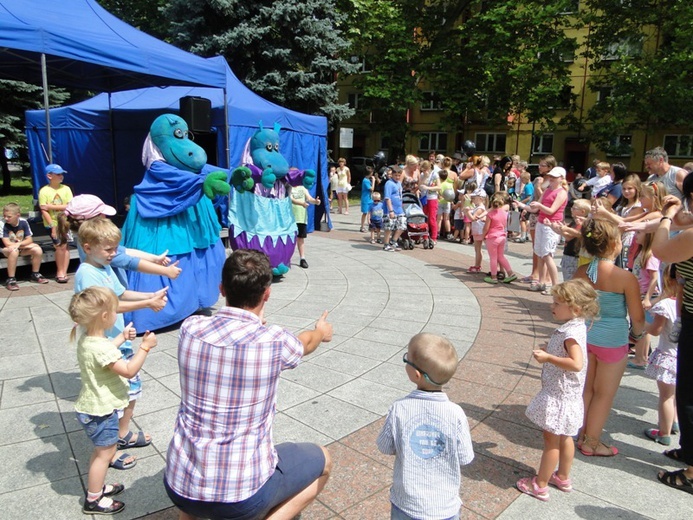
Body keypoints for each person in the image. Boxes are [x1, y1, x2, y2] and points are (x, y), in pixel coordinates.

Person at [164, 249, 333, 519]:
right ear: (267, 293)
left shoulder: (190, 328)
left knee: (193, 503)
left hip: (178, 486)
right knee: (324, 460)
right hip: (241, 496)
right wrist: (321, 331)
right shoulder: (274, 341)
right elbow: (307, 342)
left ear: (222, 289)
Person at [75, 217, 169, 470]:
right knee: (113, 397)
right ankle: (110, 449)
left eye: (115, 248)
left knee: (130, 390)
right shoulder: (87, 273)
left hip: (118, 339)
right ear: (87, 247)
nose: (114, 254)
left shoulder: (104, 267)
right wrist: (148, 303)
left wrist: (149, 295)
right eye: (108, 249)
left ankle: (122, 434)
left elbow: (120, 294)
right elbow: (111, 305)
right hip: (103, 344)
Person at [69, 286, 157, 515]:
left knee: (101, 452)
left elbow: (104, 351)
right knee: (104, 455)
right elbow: (128, 370)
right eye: (114, 310)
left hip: (92, 408)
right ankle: (93, 500)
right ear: (106, 317)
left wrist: (120, 337)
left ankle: (97, 488)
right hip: (101, 412)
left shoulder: (89, 339)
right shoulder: (99, 347)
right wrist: (145, 348)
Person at [517, 279, 599, 501]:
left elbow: (576, 363)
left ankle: (540, 484)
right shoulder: (576, 327)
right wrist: (551, 350)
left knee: (551, 440)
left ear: (575, 308)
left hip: (560, 396)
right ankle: (562, 476)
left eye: (556, 303)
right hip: (570, 397)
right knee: (566, 438)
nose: (551, 306)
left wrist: (548, 358)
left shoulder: (569, 334)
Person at [377, 333, 474, 520]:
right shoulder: (456, 413)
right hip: (445, 507)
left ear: (416, 375)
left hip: (406, 504)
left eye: (407, 359)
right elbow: (465, 457)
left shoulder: (399, 409)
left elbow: (384, 446)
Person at [573, 218, 645, 457]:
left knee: (587, 390)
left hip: (585, 336)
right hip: (613, 341)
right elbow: (637, 318)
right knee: (604, 394)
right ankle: (591, 442)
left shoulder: (582, 272)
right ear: (616, 244)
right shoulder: (625, 278)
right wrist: (637, 335)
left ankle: (580, 433)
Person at [64, 194, 182, 289]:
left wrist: (155, 258)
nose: (106, 217)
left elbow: (125, 251)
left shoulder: (90, 239)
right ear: (94, 218)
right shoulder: (98, 247)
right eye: (103, 214)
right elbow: (128, 261)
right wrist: (165, 271)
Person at [643, 264, 679, 446]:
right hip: (683, 357)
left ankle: (663, 432)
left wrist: (644, 326)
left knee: (666, 396)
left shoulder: (666, 305)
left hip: (668, 356)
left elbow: (656, 331)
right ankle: (675, 422)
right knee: (678, 394)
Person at [528, 166, 568, 295]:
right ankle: (541, 282)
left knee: (547, 255)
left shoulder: (562, 192)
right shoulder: (547, 190)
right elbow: (535, 209)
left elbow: (551, 210)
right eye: (550, 176)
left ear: (561, 178)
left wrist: (539, 205)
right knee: (540, 254)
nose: (551, 179)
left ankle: (555, 286)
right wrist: (522, 206)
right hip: (541, 223)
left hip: (552, 225)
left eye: (554, 177)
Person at [629, 230, 660, 369]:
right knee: (641, 327)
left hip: (646, 295)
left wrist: (647, 297)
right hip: (639, 293)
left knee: (642, 327)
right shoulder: (641, 253)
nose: (636, 235)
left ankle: (642, 358)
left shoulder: (650, 255)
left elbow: (654, 278)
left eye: (640, 233)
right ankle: (640, 356)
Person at [38, 163, 73, 283]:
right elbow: (44, 210)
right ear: (49, 176)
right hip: (52, 223)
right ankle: (60, 271)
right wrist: (52, 226)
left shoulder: (66, 189)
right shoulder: (44, 191)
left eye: (62, 174)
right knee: (60, 246)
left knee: (66, 246)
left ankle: (64, 271)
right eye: (58, 174)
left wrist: (51, 206)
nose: (61, 176)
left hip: (65, 222)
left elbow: (69, 206)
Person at [1, 202, 49, 290]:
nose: (6, 218)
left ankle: (35, 274)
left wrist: (20, 244)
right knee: (13, 251)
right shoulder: (2, 224)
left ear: (17, 215)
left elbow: (29, 239)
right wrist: (24, 245)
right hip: (6, 249)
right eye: (4, 216)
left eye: (9, 216)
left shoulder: (23, 222)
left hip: (19, 247)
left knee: (37, 249)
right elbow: (7, 243)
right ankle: (11, 279)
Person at [549, 198, 590, 282]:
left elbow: (571, 236)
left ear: (582, 212)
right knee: (567, 278)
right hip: (568, 254)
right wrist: (555, 227)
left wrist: (563, 229)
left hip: (574, 256)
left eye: (574, 208)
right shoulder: (574, 222)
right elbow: (567, 235)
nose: (571, 209)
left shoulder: (582, 223)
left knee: (570, 281)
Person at [483, 192, 517, 284]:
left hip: (492, 237)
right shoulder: (505, 213)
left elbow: (486, 228)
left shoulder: (490, 214)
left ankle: (494, 277)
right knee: (501, 256)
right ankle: (511, 273)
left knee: (493, 258)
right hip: (502, 236)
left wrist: (483, 236)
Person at [290, 184, 320, 269]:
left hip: (301, 218)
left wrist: (316, 201)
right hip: (290, 218)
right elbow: (291, 199)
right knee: (290, 239)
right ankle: (287, 258)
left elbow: (309, 198)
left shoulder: (302, 188)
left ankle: (302, 258)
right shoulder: (289, 187)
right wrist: (301, 203)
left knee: (300, 238)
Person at [383, 166, 406, 252]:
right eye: (395, 175)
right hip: (391, 209)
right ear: (392, 175)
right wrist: (390, 210)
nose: (397, 177)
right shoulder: (389, 183)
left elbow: (400, 195)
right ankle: (386, 244)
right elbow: (387, 197)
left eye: (399, 175)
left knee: (402, 225)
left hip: (399, 209)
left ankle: (393, 241)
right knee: (389, 227)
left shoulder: (399, 183)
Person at [418, 160, 441, 243]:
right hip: (424, 198)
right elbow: (419, 185)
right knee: (424, 218)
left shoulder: (434, 174)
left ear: (428, 168)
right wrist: (424, 177)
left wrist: (428, 188)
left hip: (432, 198)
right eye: (422, 170)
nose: (423, 171)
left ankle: (434, 237)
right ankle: (425, 236)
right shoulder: (422, 174)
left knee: (432, 218)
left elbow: (439, 187)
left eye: (424, 170)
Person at [467, 189, 488, 273]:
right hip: (477, 230)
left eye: (474, 197)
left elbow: (473, 218)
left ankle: (477, 266)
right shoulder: (477, 207)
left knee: (478, 249)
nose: (473, 199)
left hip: (480, 230)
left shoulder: (480, 208)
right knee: (477, 249)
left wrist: (466, 212)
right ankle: (477, 265)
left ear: (480, 198)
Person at [360, 166, 376, 232]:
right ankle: (362, 226)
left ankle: (370, 225)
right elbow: (371, 189)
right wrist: (374, 181)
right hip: (365, 199)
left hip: (369, 199)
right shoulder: (365, 181)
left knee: (370, 212)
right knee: (365, 213)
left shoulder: (367, 180)